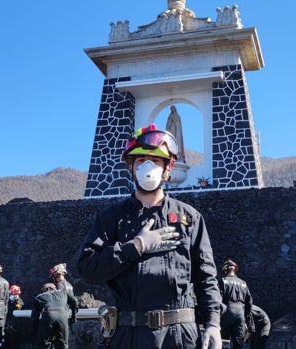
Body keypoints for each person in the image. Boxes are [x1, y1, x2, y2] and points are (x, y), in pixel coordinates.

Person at [76, 124, 223, 349]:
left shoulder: (190, 217)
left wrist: (213, 323)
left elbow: (206, 276)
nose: (147, 167)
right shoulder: (111, 217)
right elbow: (87, 268)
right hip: (128, 336)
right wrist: (134, 246)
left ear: (168, 167)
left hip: (180, 337)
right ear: (131, 167)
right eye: (140, 160)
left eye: (155, 161)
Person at [218, 259, 253, 349]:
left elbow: (217, 300)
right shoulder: (243, 284)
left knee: (222, 342)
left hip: (226, 312)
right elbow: (249, 303)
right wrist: (250, 325)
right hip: (240, 314)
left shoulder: (223, 281)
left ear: (225, 270)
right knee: (239, 344)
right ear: (235, 270)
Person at [30, 283, 78, 349]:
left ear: (43, 290)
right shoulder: (63, 292)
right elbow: (75, 301)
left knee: (44, 343)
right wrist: (74, 316)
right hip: (62, 315)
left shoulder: (38, 297)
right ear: (55, 288)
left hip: (48, 315)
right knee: (63, 343)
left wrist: (35, 332)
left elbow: (34, 318)